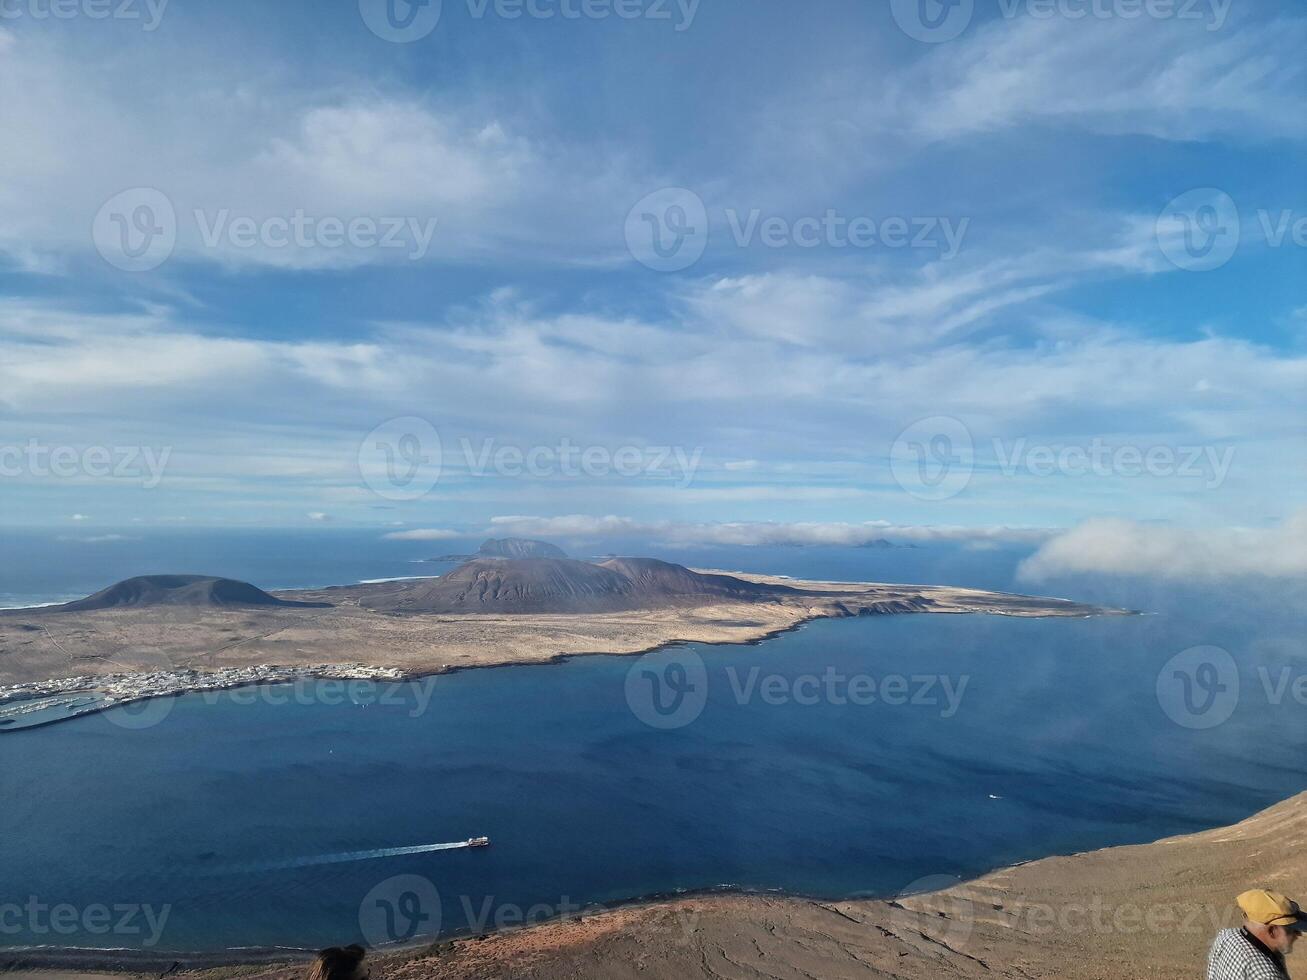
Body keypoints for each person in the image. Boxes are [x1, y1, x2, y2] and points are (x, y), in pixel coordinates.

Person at [1208, 889, 1307, 979]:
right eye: (1291, 929)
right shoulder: (1266, 976)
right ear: (1272, 931)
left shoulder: (1226, 937)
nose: (1298, 934)